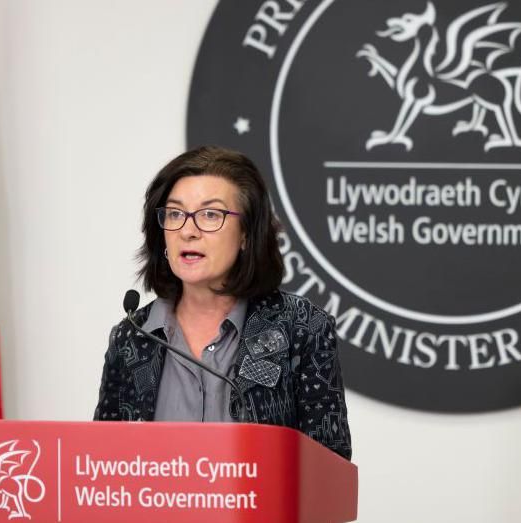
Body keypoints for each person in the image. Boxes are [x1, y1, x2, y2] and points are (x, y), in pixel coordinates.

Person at [93, 145, 352, 460]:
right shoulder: (133, 336)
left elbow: (329, 469)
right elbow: (104, 468)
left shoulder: (302, 329)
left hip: (259, 511)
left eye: (210, 215)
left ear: (246, 233)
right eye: (175, 213)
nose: (188, 231)